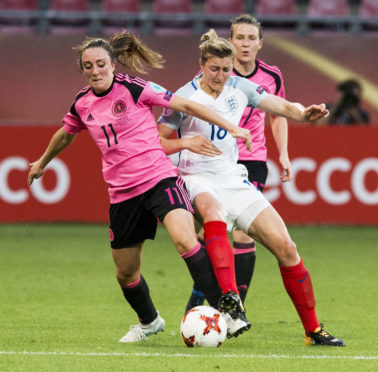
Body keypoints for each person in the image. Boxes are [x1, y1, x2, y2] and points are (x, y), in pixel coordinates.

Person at [27, 30, 254, 343]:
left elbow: (186, 106)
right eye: (88, 65)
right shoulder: (82, 104)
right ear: (83, 69)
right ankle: (149, 322)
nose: (95, 70)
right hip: (122, 194)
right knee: (126, 274)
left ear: (113, 64)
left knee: (185, 240)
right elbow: (66, 133)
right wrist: (42, 162)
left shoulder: (134, 88)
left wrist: (231, 126)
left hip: (160, 179)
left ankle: (226, 311)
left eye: (101, 64)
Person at [158, 29, 345, 346]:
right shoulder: (182, 97)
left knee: (286, 248)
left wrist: (303, 113)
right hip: (195, 177)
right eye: (214, 69)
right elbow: (157, 143)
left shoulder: (240, 87)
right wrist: (187, 142)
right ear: (202, 64)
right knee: (213, 211)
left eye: (226, 69)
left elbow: (281, 107)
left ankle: (313, 330)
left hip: (233, 178)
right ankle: (230, 300)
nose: (220, 76)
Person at [184, 14, 292, 311]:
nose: (245, 43)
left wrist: (282, 153)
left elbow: (278, 113)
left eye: (250, 38)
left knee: (242, 233)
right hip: (213, 161)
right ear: (230, 41)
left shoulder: (271, 76)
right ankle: (199, 301)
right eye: (239, 38)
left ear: (260, 43)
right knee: (209, 231)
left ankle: (235, 307)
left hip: (251, 158)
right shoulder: (217, 72)